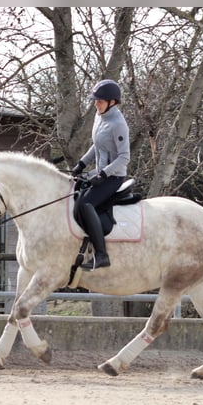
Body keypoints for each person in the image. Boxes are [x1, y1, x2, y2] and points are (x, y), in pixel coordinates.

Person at [71, 79, 130, 270]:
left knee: (86, 203)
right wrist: (81, 163)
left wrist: (103, 174)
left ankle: (102, 255)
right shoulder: (100, 117)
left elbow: (124, 157)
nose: (96, 103)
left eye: (100, 101)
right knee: (75, 193)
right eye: (95, 100)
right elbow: (97, 144)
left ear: (112, 102)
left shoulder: (118, 124)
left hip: (113, 176)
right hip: (99, 171)